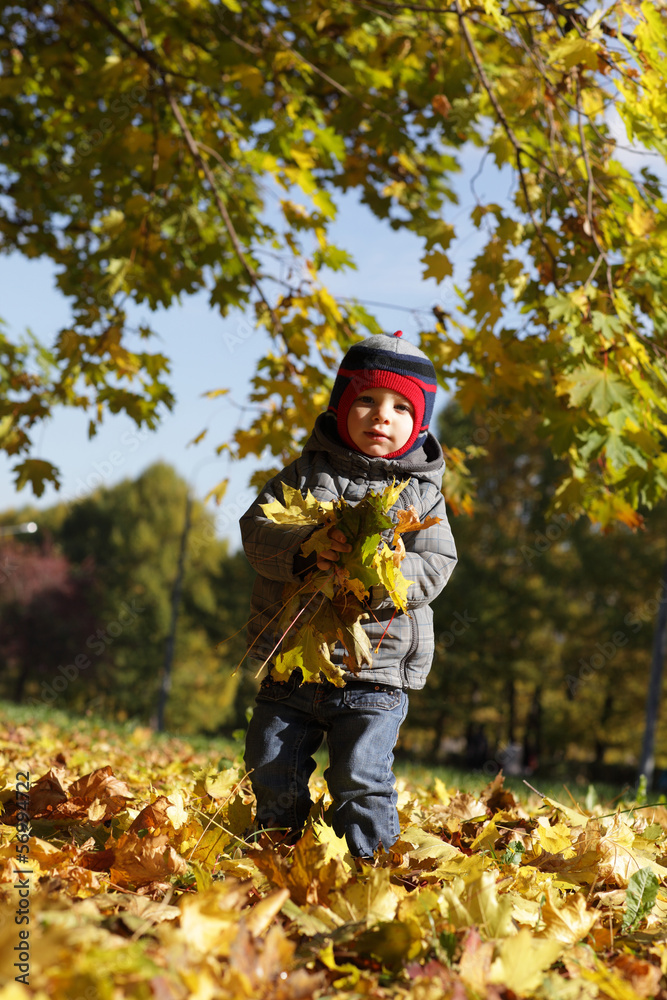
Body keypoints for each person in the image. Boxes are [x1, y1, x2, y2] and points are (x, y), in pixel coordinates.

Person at [240, 331, 458, 859]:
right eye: (366, 399)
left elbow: (438, 561)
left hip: (374, 669)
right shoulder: (304, 475)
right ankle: (276, 849)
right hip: (293, 657)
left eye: (400, 407)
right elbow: (256, 530)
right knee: (270, 762)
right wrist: (304, 549)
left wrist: (383, 581)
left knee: (360, 776)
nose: (381, 416)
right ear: (340, 407)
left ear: (420, 423)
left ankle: (372, 865)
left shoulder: (423, 495)